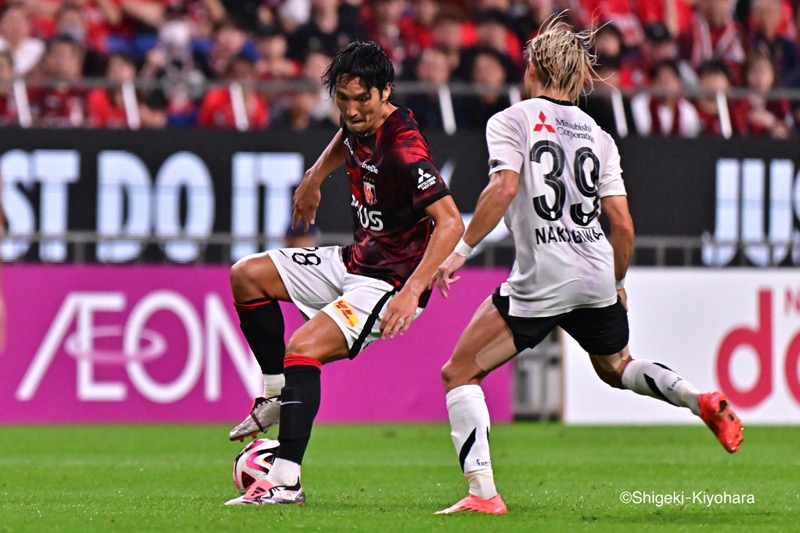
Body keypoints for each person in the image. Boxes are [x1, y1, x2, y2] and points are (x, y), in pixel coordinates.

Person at [431, 18, 744, 516]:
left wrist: (459, 253)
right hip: (595, 268)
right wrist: (617, 281)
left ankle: (483, 494)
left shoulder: (510, 120)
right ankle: (696, 398)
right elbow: (621, 222)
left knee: (458, 373)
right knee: (617, 367)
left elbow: (503, 188)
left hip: (543, 276)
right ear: (578, 78)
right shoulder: (599, 135)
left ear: (532, 68)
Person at [225, 40, 464, 506]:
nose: (352, 110)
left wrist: (412, 290)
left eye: (362, 100)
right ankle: (275, 394)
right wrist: (314, 176)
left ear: (385, 92)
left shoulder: (404, 150)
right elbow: (346, 136)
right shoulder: (357, 119)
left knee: (304, 347)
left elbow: (451, 221)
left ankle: (285, 480)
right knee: (246, 275)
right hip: (357, 259)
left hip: (389, 281)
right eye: (343, 98)